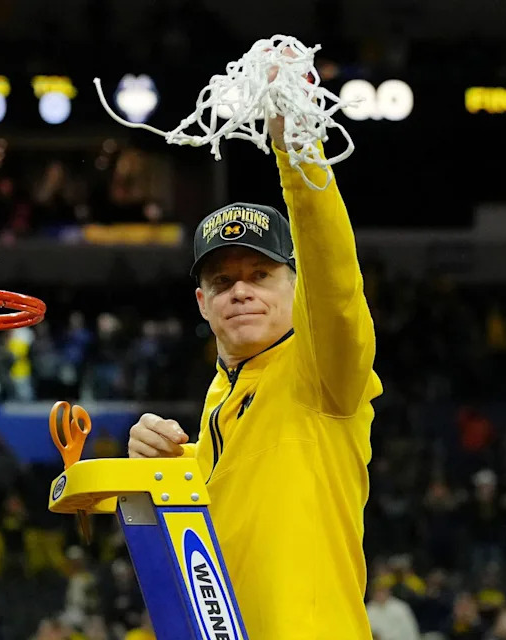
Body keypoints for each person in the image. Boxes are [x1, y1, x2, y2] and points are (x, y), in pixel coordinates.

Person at [126, 76, 382, 636]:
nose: (241, 291)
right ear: (202, 303)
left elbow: (335, 278)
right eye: (223, 281)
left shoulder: (323, 374)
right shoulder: (219, 401)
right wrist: (152, 477)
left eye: (261, 275)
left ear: (297, 286)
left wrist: (298, 151)